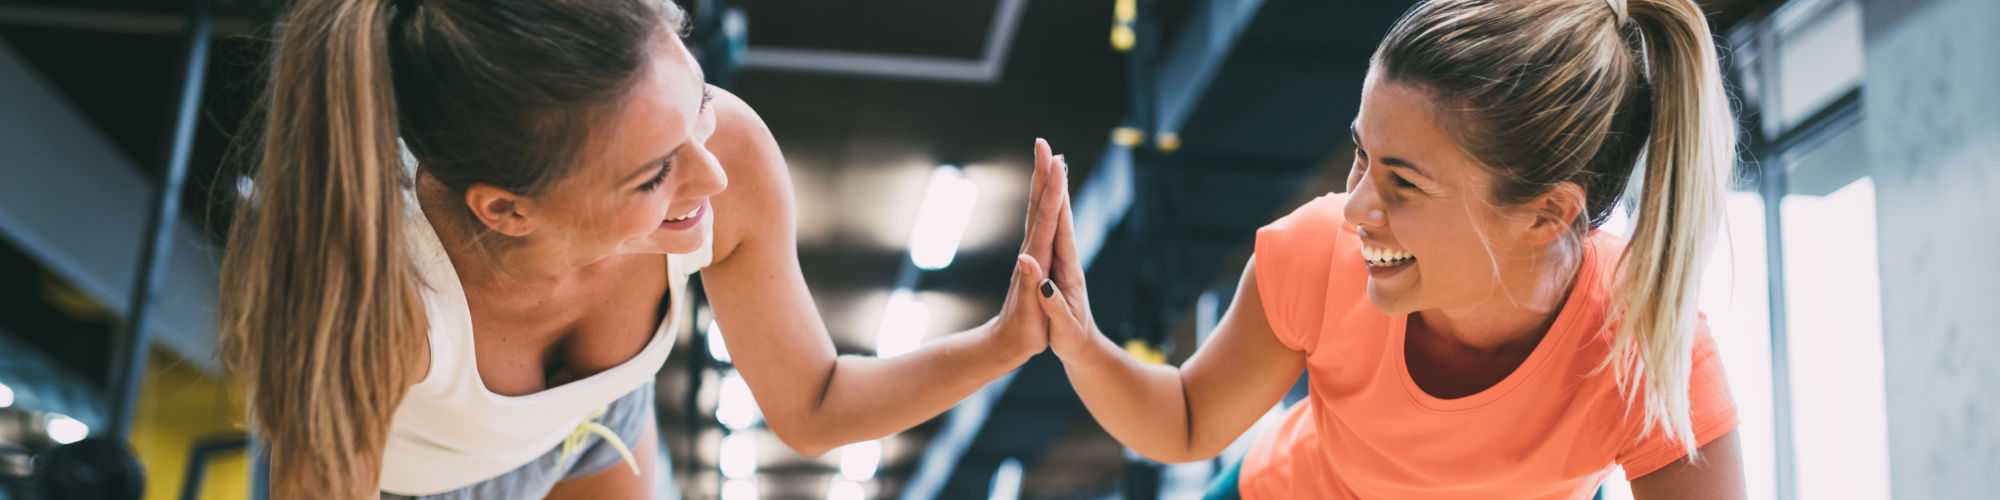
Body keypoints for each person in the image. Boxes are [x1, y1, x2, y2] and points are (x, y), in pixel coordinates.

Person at [214, 0, 1069, 497]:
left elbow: (815, 403)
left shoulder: (724, 150)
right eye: (653, 175)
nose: (713, 177)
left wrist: (1005, 342)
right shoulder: (379, 296)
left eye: (695, 101)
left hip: (597, 421)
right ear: (508, 210)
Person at [1033, 0, 1745, 498]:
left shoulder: (1650, 347)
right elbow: (1188, 418)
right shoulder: (1317, 256)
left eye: (1402, 182)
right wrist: (1080, 341)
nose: (1356, 207)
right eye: (1361, 156)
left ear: (1547, 214)